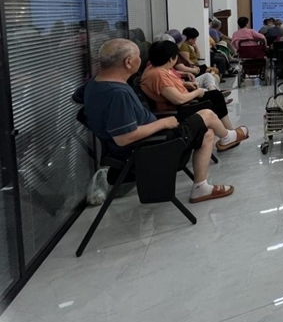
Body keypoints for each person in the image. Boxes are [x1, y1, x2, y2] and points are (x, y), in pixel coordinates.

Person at [77, 39, 237, 203]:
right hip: (150, 148)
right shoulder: (117, 94)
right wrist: (164, 123)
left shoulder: (94, 83)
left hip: (146, 141)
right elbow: (124, 138)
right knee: (207, 115)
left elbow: (76, 98)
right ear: (128, 62)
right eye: (139, 56)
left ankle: (200, 187)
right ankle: (228, 137)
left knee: (207, 132)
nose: (142, 60)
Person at [140, 40, 249, 142]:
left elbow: (167, 87)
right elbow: (178, 99)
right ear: (171, 59)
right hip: (179, 109)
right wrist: (197, 92)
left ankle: (229, 131)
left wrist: (185, 84)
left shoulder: (155, 69)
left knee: (215, 95)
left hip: (183, 102)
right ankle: (228, 136)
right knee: (216, 97)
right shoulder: (159, 75)